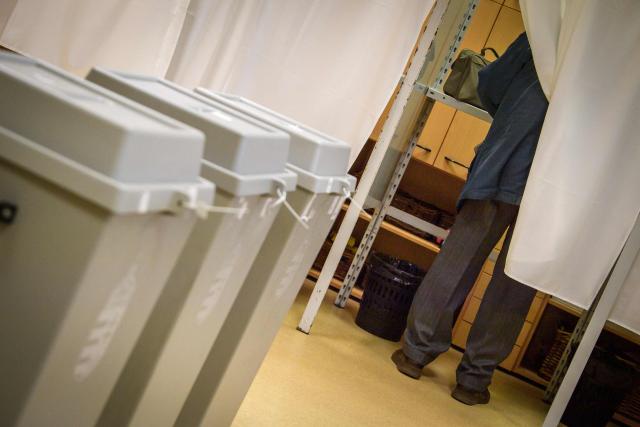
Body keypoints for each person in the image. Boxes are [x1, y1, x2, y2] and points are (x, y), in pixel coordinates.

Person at [391, 32, 549, 405]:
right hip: (555, 189)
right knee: (516, 284)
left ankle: (415, 354)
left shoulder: (549, 28)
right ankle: (474, 381)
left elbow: (492, 84)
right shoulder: (619, 56)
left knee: (458, 260)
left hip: (504, 165)